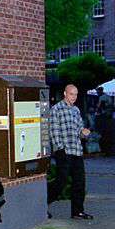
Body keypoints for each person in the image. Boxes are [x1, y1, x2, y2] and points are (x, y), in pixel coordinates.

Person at [48, 84, 92, 219]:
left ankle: (77, 211)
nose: (74, 97)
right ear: (65, 94)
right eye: (71, 94)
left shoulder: (76, 110)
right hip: (64, 151)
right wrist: (60, 149)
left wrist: (84, 133)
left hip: (76, 151)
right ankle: (43, 203)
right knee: (61, 182)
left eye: (76, 94)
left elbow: (79, 131)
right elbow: (54, 131)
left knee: (79, 182)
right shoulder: (56, 109)